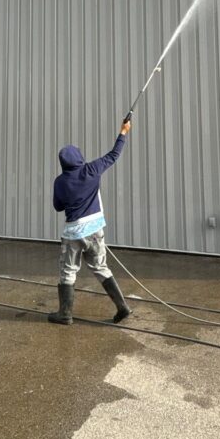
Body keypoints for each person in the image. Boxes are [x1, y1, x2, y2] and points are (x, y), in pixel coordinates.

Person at [49, 119, 133, 325]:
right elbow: (114, 155)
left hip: (73, 234)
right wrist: (123, 131)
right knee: (100, 267)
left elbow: (58, 207)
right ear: (79, 158)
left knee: (68, 271)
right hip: (96, 230)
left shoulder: (60, 182)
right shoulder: (91, 170)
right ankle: (122, 307)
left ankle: (65, 314)